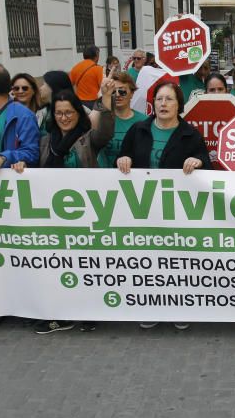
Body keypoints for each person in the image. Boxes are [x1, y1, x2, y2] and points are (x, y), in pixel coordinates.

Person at [13, 86, 115, 334]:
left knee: (88, 265)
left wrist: (105, 100)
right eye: (59, 113)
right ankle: (61, 313)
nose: (64, 117)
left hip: (87, 212)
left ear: (78, 114)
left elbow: (106, 130)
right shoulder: (45, 141)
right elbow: (36, 169)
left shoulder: (89, 137)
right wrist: (22, 165)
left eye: (69, 112)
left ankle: (90, 311)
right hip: (55, 216)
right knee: (60, 266)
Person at [116, 81, 208, 331]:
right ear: (152, 103)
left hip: (177, 210)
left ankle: (180, 306)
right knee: (149, 260)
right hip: (144, 208)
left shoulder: (190, 134)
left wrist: (197, 161)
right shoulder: (138, 130)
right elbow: (125, 156)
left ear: (179, 105)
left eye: (169, 99)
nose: (163, 104)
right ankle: (151, 306)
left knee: (177, 261)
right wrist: (123, 159)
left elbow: (205, 161)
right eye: (159, 99)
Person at [97, 73, 147, 168]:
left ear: (132, 93)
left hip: (131, 177)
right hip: (104, 175)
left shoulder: (144, 121)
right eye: (113, 91)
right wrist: (103, 95)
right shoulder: (102, 118)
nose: (117, 95)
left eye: (122, 91)